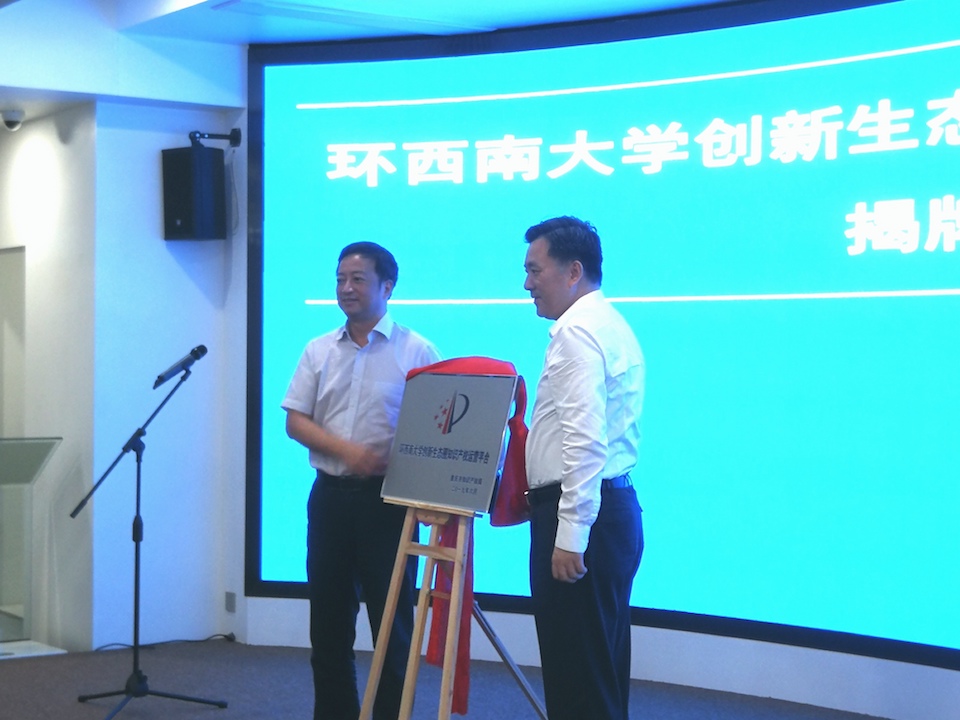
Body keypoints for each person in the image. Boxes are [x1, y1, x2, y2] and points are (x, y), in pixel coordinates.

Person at [281, 241, 441, 720]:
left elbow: (437, 429)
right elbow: (296, 421)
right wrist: (349, 452)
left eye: (357, 279)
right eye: (340, 279)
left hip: (387, 505)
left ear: (387, 287)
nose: (346, 288)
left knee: (392, 626)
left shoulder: (417, 351)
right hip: (329, 499)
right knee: (328, 625)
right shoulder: (318, 350)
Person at [522, 216, 645, 720]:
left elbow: (585, 443)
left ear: (574, 271)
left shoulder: (576, 332)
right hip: (609, 511)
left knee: (577, 681)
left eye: (535, 270)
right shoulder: (607, 323)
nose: (526, 284)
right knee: (597, 673)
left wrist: (570, 535)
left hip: (581, 518)